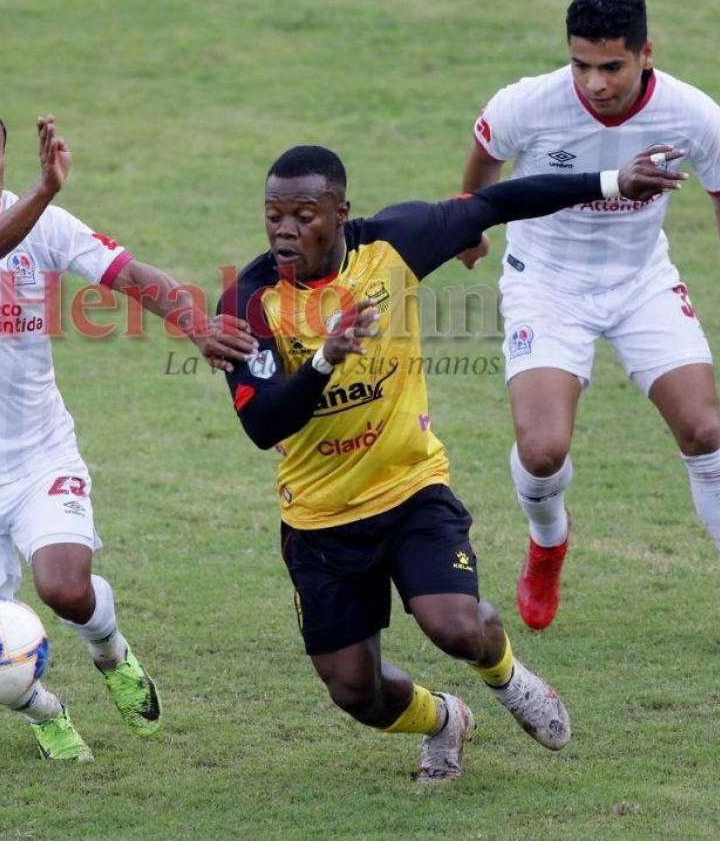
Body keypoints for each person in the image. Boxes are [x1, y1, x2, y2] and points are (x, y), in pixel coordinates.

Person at [218, 143, 682, 781]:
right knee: (356, 692)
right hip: (320, 520)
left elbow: (495, 203)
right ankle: (444, 720)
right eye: (274, 215)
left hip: (411, 490)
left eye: (304, 214)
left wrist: (611, 179)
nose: (286, 229)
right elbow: (263, 422)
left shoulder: (392, 246)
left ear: (340, 211)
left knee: (456, 625)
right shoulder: (249, 302)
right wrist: (325, 360)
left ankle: (507, 677)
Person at [0, 98, 256, 762]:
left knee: (65, 587)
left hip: (36, 453)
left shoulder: (45, 224)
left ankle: (113, 654)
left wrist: (194, 323)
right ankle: (45, 711)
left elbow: (128, 273)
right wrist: (47, 191)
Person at [459, 0, 720, 657]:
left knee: (704, 428)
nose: (594, 82)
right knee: (542, 450)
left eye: (611, 66)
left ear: (645, 54)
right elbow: (484, 156)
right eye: (581, 64)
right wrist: (472, 221)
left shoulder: (691, 114)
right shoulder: (528, 102)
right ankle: (548, 541)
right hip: (546, 285)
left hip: (642, 282)